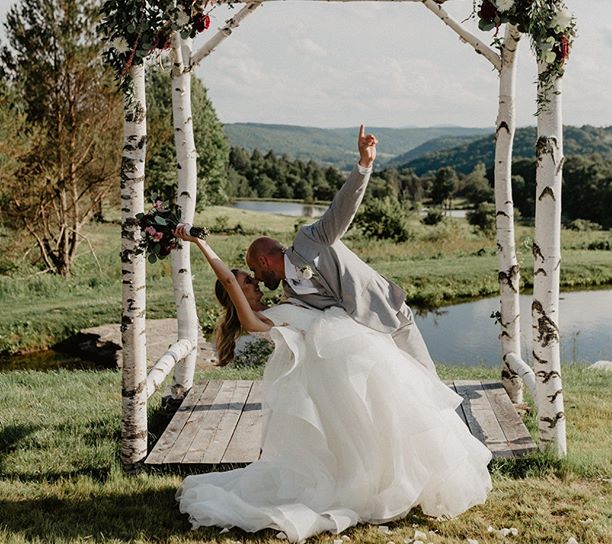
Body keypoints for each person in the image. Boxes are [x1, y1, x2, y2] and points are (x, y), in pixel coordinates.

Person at [173, 230, 492, 541]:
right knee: (368, 431)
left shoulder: (283, 302)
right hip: (337, 370)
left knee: (386, 421)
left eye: (251, 275)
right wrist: (201, 244)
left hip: (348, 363)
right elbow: (228, 279)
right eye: (247, 280)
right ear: (235, 292)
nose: (254, 281)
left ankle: (404, 485)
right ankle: (373, 489)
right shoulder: (255, 319)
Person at [244, 124, 436, 372]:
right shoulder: (290, 293)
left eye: (254, 269)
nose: (256, 277)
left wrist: (364, 164)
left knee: (425, 376)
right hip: (365, 342)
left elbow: (342, 209)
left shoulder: (309, 240)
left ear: (264, 261)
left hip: (388, 314)